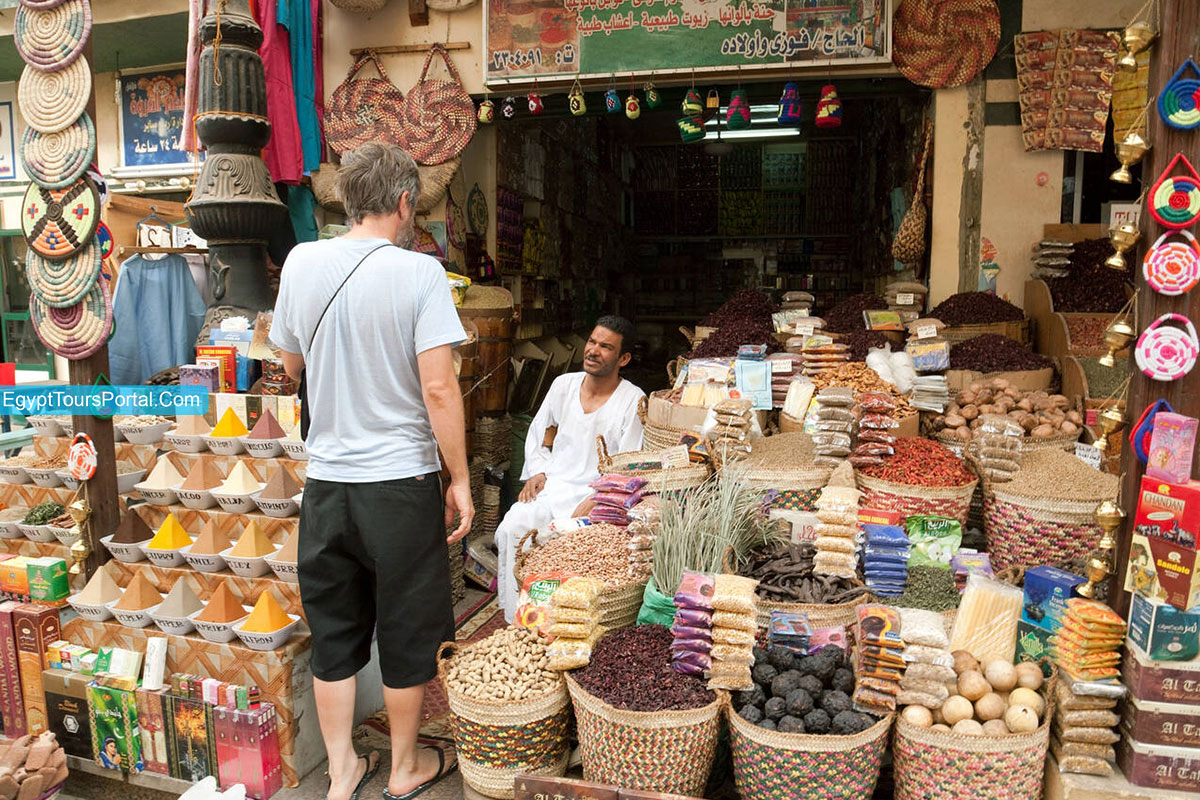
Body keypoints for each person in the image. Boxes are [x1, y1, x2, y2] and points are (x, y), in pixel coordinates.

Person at [270, 142, 470, 800]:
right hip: (400, 485)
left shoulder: (302, 262)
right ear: (405, 201)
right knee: (408, 627)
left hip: (327, 486)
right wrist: (460, 479)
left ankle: (343, 769)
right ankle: (407, 767)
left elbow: (290, 368)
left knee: (333, 627)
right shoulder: (420, 276)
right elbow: (439, 390)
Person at [494, 317, 644, 621]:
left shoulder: (633, 400)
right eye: (592, 342)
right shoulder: (564, 385)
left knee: (571, 546)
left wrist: (600, 498)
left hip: (594, 496)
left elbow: (630, 463)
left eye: (605, 347)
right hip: (554, 485)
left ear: (623, 358)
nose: (593, 350)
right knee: (513, 526)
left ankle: (563, 620)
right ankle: (516, 619)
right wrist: (537, 471)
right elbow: (540, 433)